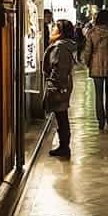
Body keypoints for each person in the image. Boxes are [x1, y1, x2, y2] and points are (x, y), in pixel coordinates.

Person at [43, 20, 77, 157]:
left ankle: (64, 147)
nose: (52, 30)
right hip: (64, 84)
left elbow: (59, 69)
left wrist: (55, 85)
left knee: (61, 115)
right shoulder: (68, 45)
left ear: (60, 31)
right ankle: (64, 145)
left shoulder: (60, 47)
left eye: (55, 28)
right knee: (62, 115)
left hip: (59, 85)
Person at [82, 9, 108, 130]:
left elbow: (87, 51)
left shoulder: (92, 33)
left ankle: (100, 121)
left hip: (96, 66)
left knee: (98, 95)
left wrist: (87, 63)